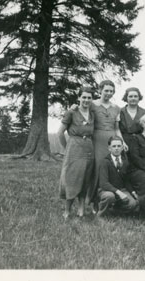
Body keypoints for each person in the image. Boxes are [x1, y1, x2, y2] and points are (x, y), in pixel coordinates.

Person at [86, 80, 127, 207]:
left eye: (111, 91)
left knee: (112, 168)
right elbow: (81, 111)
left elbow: (117, 128)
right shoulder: (92, 104)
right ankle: (91, 200)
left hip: (112, 139)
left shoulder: (116, 108)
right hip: (97, 139)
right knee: (97, 169)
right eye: (106, 90)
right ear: (100, 90)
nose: (108, 93)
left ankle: (110, 200)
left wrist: (122, 141)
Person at [57, 87, 95, 219]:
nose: (86, 100)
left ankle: (81, 209)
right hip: (74, 148)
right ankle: (67, 210)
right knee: (72, 178)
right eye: (83, 97)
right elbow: (60, 133)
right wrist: (66, 147)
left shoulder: (92, 113)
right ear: (79, 98)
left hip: (89, 148)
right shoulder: (71, 112)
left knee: (85, 178)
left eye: (89, 97)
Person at [97, 136, 139, 217]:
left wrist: (133, 192)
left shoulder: (125, 161)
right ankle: (101, 214)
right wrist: (118, 192)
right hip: (106, 190)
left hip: (121, 189)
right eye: (114, 146)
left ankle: (114, 211)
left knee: (133, 203)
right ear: (109, 148)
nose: (116, 148)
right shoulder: (105, 162)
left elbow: (126, 180)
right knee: (110, 196)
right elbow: (104, 183)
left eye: (119, 146)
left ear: (122, 148)